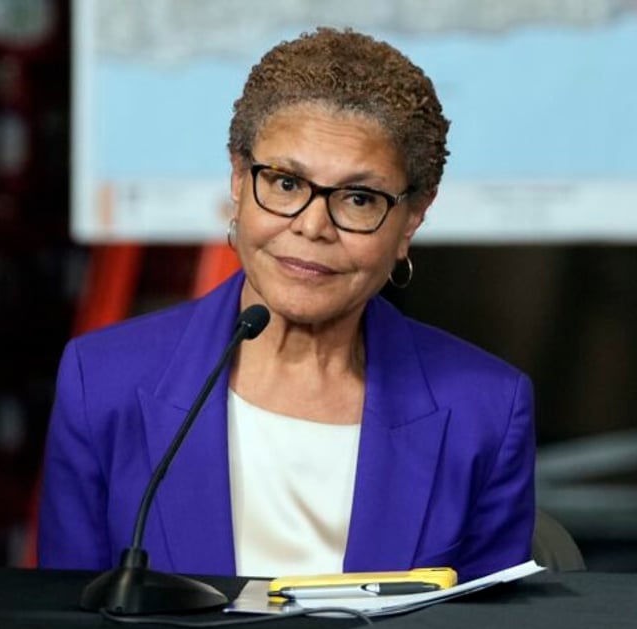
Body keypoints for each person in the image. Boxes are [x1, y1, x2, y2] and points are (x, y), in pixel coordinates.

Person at [38, 27, 535, 583]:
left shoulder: (486, 411)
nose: (313, 226)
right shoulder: (101, 382)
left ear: (412, 219)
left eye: (359, 198)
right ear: (237, 178)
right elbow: (65, 616)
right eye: (285, 184)